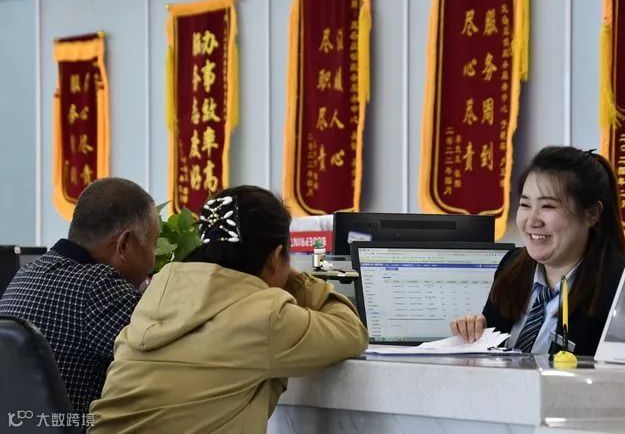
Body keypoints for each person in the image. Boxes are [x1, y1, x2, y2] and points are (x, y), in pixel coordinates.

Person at [90, 185, 369, 433]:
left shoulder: (156, 292)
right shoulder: (264, 315)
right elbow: (351, 331)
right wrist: (298, 280)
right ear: (275, 258)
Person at [0, 177, 158, 416]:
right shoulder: (100, 286)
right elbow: (169, 359)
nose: (153, 259)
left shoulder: (25, 274)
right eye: (153, 245)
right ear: (124, 244)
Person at [451, 146, 625, 356]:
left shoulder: (619, 289)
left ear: (592, 214)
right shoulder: (511, 267)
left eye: (548, 206)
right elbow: (492, 355)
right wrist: (474, 333)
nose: (532, 221)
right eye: (525, 205)